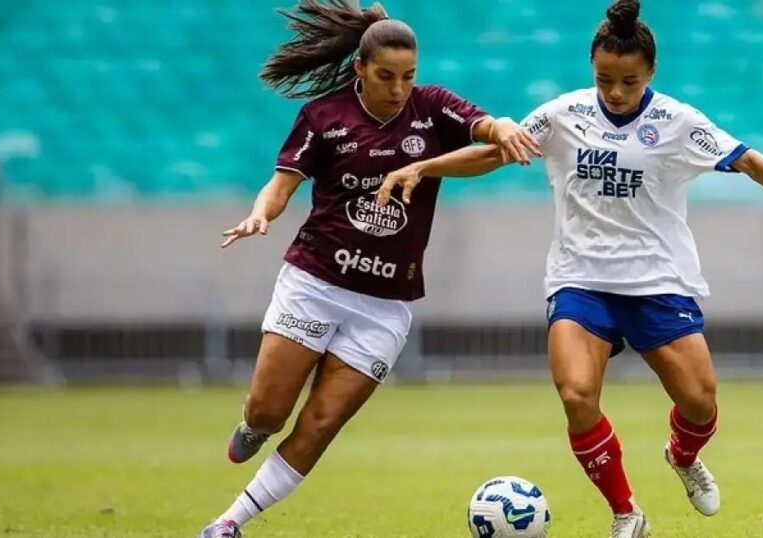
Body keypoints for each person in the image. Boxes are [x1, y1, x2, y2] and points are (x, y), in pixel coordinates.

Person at [376, 1, 763, 535]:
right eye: (604, 79)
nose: (616, 92)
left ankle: (681, 456)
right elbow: (494, 153)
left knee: (700, 403)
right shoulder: (563, 114)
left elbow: (746, 159)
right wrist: (423, 165)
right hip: (580, 280)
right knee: (577, 395)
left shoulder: (678, 122)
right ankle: (626, 513)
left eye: (628, 81)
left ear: (650, 73)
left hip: (657, 281)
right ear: (592, 69)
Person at [198, 1, 539, 536]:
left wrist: (498, 129)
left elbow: (490, 137)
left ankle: (229, 522)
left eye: (408, 76)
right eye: (386, 76)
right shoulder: (323, 116)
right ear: (360, 68)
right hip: (315, 284)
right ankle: (252, 424)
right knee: (269, 413)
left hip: (385, 306)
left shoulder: (431, 109)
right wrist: (260, 214)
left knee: (321, 423)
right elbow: (281, 185)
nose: (399, 88)